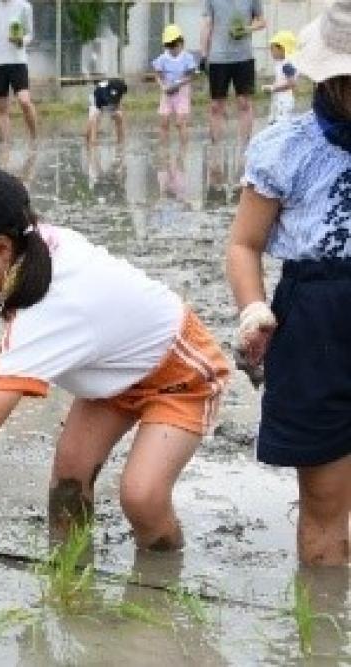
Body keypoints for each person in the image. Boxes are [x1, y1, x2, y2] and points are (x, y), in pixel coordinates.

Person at [0, 160, 230, 551]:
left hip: (178, 373)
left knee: (141, 497)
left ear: (0, 248)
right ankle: (70, 579)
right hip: (111, 373)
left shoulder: (52, 306)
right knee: (69, 478)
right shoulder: (29, 246)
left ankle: (161, 583)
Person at [226, 0, 351, 567]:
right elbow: (243, 244)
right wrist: (253, 310)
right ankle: (322, 639)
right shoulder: (288, 146)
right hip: (316, 322)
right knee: (325, 498)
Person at [200, 0, 265, 145]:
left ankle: (245, 146)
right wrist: (203, 54)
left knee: (244, 103)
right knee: (216, 105)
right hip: (218, 58)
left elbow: (262, 22)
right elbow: (207, 24)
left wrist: (246, 29)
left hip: (244, 57)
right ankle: (215, 146)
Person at [0, 0, 38, 144]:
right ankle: (5, 146)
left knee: (24, 101)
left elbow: (30, 34)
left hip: (18, 61)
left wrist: (21, 40)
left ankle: (34, 138)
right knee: (2, 108)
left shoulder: (24, 6)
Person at [153, 25, 197, 147]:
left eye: (175, 45)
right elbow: (158, 75)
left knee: (180, 122)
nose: (173, 49)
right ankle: (164, 150)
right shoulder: (162, 59)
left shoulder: (187, 58)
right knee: (164, 122)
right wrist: (163, 86)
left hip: (182, 91)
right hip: (167, 92)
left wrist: (179, 84)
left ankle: (183, 150)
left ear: (181, 43)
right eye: (169, 46)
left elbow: (191, 76)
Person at [263, 30, 299, 124]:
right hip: (280, 99)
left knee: (281, 124)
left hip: (284, 101)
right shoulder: (282, 63)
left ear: (282, 49)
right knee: (275, 122)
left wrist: (273, 88)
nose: (271, 51)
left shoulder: (287, 64)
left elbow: (292, 83)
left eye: (273, 48)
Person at [85, 78, 128, 146]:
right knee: (94, 120)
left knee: (119, 116)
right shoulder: (100, 91)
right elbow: (96, 110)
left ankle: (120, 142)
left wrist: (118, 110)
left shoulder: (120, 87)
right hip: (96, 101)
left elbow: (119, 104)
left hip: (110, 101)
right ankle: (90, 143)